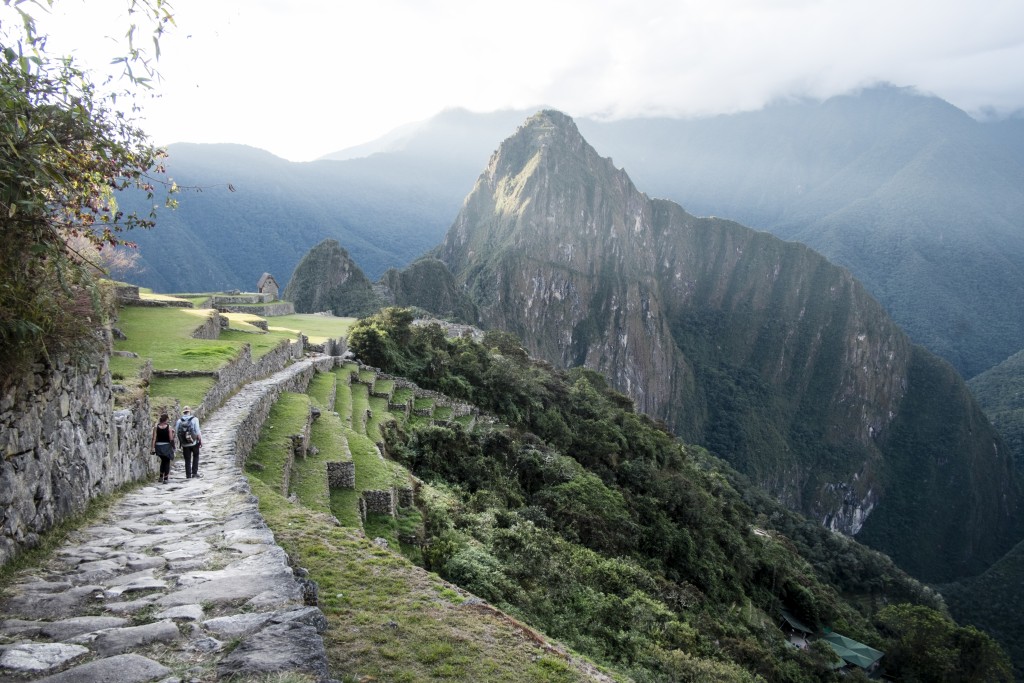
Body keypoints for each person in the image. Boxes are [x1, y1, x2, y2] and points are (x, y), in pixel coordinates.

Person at [175, 406, 203, 479]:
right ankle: (194, 473)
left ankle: (188, 475)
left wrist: (181, 441)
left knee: (187, 459)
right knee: (196, 456)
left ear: (183, 412)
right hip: (194, 442)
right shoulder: (194, 419)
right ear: (190, 411)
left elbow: (177, 432)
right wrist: (200, 440)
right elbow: (197, 431)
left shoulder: (179, 421)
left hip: (185, 444)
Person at [150, 413, 175, 483]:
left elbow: (154, 438)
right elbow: (171, 439)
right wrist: (174, 447)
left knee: (163, 460)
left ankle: (161, 476)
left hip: (158, 446)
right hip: (166, 446)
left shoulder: (156, 427)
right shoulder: (169, 427)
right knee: (167, 461)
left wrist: (152, 448)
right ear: (166, 419)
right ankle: (166, 478)